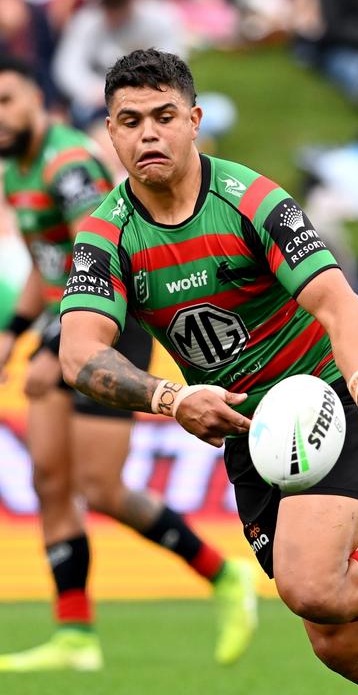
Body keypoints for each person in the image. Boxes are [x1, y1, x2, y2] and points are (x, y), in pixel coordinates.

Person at [56, 47, 358, 695]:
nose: (148, 134)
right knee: (336, 635)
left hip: (325, 394)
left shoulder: (249, 200)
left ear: (193, 120)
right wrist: (170, 397)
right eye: (130, 121)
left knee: (314, 583)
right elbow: (78, 352)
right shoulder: (106, 237)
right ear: (110, 133)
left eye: (164, 116)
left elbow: (337, 300)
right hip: (247, 428)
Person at [0, 53, 257, 672]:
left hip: (110, 331)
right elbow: (49, 264)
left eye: (8, 100)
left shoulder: (67, 166)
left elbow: (97, 269)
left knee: (100, 487)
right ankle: (75, 633)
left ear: (40, 98)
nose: (1, 116)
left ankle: (223, 573)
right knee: (49, 482)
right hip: (59, 327)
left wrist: (43, 342)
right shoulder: (17, 169)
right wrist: (13, 331)